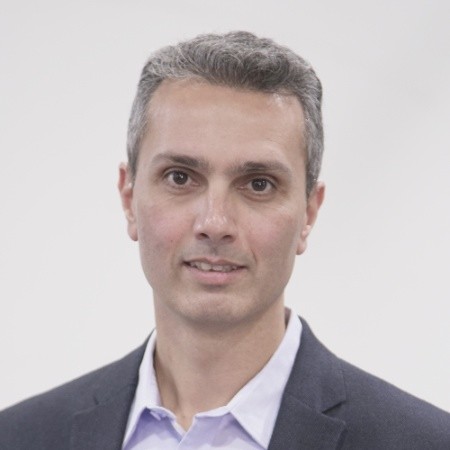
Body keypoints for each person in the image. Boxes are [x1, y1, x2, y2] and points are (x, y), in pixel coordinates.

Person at [0, 31, 449, 450]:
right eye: (180, 177)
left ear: (309, 213)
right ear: (129, 198)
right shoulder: (20, 437)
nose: (215, 223)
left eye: (258, 184)